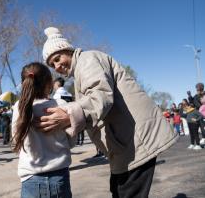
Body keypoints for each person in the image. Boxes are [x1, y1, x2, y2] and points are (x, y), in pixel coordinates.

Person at [38, 27, 178, 198]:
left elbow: (100, 95)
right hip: (125, 143)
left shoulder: (86, 60)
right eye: (52, 64)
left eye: (58, 59)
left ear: (67, 49)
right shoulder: (81, 68)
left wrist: (70, 116)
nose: (57, 66)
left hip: (136, 140)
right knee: (118, 191)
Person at [12, 62, 84, 198]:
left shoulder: (19, 107)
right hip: (59, 177)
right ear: (49, 83)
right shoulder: (61, 105)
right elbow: (71, 142)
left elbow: (17, 139)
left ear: (24, 83)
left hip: (30, 178)